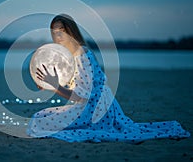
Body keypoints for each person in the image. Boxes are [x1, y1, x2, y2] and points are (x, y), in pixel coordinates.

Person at [26, 14, 190, 143]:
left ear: (71, 31)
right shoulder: (68, 56)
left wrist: (55, 87)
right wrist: (48, 83)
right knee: (40, 118)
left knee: (39, 122)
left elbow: (81, 96)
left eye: (61, 30)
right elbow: (70, 82)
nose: (57, 35)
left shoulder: (82, 55)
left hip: (94, 108)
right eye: (54, 32)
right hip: (89, 105)